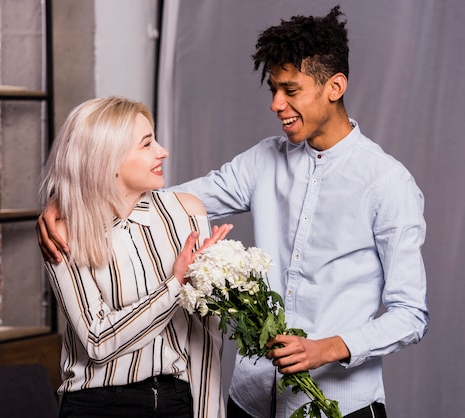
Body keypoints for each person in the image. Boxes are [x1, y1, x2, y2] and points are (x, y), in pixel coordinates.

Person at [37, 6, 429, 418]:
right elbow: (154, 199)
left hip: (339, 405)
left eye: (290, 90)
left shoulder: (388, 183)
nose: (277, 104)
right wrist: (69, 202)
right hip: (251, 401)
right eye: (273, 89)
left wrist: (326, 348)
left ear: (334, 86)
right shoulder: (263, 160)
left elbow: (410, 313)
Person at [39, 96, 232, 418]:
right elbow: (97, 341)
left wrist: (211, 413)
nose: (162, 151)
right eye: (147, 144)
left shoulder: (187, 212)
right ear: (107, 159)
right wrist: (176, 283)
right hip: (96, 407)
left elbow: (205, 333)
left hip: (176, 402)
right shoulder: (64, 230)